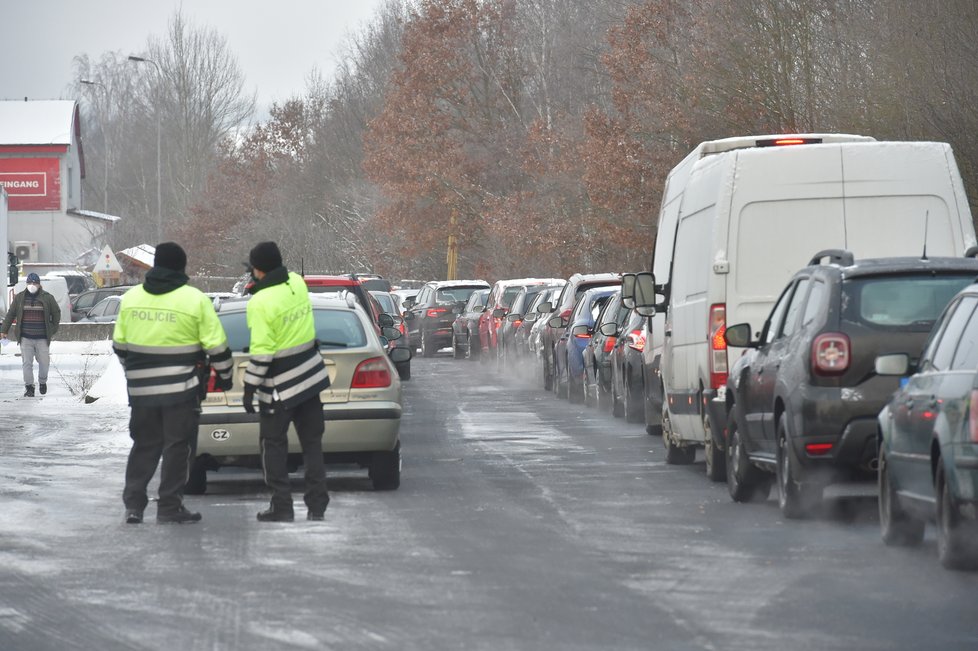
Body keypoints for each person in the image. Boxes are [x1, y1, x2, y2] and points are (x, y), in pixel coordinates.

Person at [112, 242, 233, 524]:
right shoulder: (194, 300)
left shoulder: (131, 299)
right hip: (182, 391)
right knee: (178, 448)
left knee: (144, 446)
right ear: (181, 267)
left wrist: (135, 373)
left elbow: (120, 346)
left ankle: (134, 506)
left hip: (141, 392)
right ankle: (169, 507)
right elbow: (218, 348)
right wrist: (226, 379)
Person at [243, 241, 331, 522]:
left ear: (257, 270)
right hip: (311, 378)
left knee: (273, 446)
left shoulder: (260, 302)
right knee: (312, 445)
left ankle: (281, 506)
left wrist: (249, 387)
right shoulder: (297, 283)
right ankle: (317, 505)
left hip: (280, 387)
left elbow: (262, 351)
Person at [1, 272, 61, 397]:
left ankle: (42, 381)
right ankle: (29, 387)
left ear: (39, 285)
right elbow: (11, 314)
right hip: (25, 337)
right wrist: (4, 330)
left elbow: (56, 313)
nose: (32, 285)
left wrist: (53, 328)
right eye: (30, 283)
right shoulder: (20, 298)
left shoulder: (47, 297)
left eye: (35, 283)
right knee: (27, 363)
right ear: (26, 284)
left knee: (44, 362)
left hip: (42, 338)